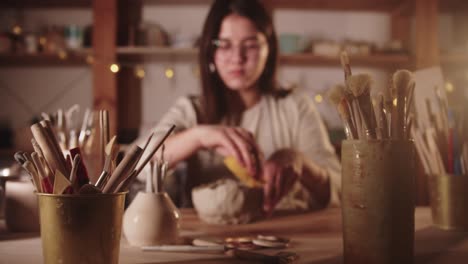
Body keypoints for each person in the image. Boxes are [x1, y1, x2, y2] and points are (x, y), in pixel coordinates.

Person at [136, 0, 341, 214]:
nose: (237, 58)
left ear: (269, 50)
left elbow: (340, 191)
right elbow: (137, 166)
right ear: (210, 52)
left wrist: (300, 162)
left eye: (251, 45)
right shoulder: (192, 109)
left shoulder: (296, 107)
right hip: (209, 239)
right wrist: (198, 137)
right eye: (224, 45)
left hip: (285, 235)